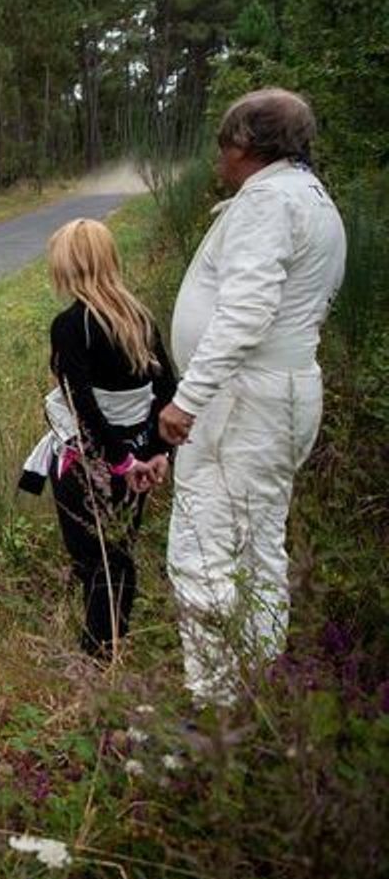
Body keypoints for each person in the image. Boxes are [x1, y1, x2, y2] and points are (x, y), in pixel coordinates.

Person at [157, 87, 346, 707]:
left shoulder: (267, 202)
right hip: (282, 392)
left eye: (223, 142)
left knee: (204, 547)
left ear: (246, 144)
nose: (219, 156)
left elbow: (245, 313)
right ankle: (258, 687)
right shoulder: (312, 199)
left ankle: (215, 707)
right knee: (259, 545)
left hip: (241, 401)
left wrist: (189, 397)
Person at [21, 219, 176, 658]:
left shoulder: (72, 325)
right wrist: (156, 454)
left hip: (91, 463)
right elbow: (167, 390)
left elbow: (82, 404)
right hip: (139, 457)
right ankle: (111, 645)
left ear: (69, 265)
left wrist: (119, 462)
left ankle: (96, 657)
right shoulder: (139, 319)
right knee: (119, 553)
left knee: (94, 562)